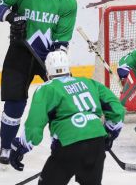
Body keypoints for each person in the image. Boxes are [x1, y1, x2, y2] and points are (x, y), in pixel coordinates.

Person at [0, 0, 78, 166]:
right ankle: (6, 146)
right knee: (14, 103)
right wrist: (10, 16)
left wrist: (57, 59)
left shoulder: (68, 3)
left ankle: (67, 145)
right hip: (20, 52)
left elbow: (62, 39)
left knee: (62, 100)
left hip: (49, 58)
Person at [9, 50, 125, 185]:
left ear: (48, 73)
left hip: (67, 145)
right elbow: (117, 109)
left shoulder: (47, 88)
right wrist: (110, 133)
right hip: (96, 143)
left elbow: (35, 124)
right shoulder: (89, 83)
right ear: (69, 69)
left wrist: (21, 146)